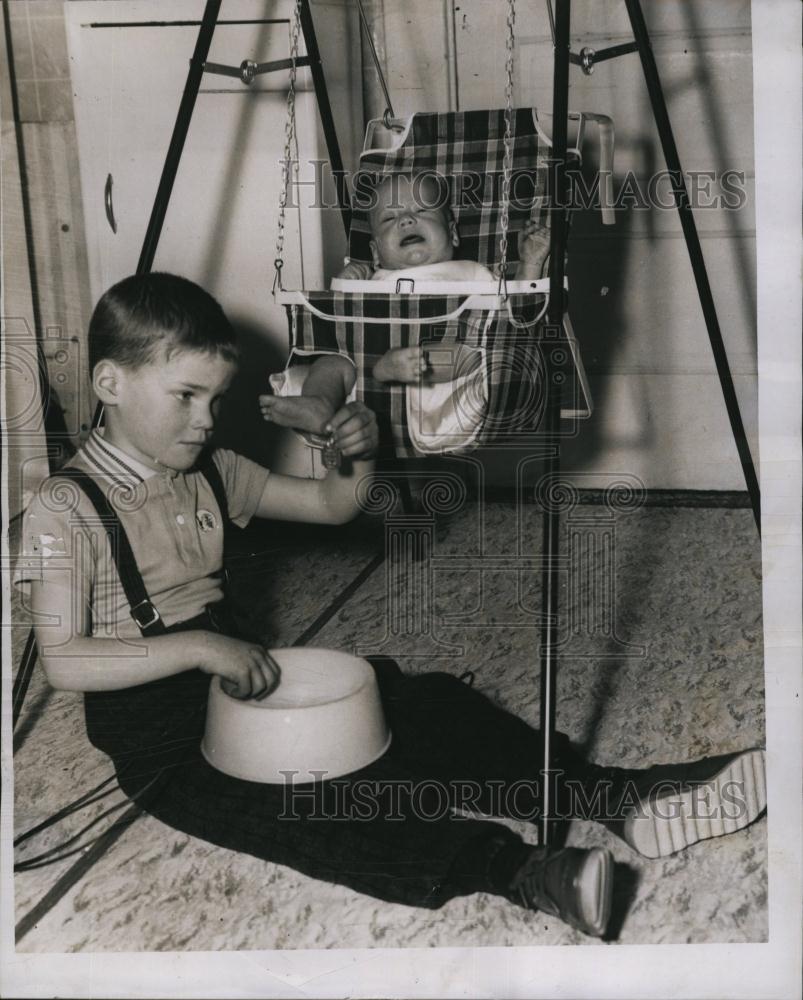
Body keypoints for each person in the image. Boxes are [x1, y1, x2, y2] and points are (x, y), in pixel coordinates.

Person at [16, 273, 766, 940]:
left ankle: (615, 795)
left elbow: (335, 507)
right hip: (162, 741)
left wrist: (361, 446)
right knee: (315, 809)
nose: (206, 420)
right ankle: (524, 871)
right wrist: (198, 648)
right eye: (185, 396)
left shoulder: (210, 470)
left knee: (417, 704)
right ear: (110, 383)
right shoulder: (64, 507)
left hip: (237, 676)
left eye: (213, 399)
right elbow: (67, 658)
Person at [258, 172, 552, 440]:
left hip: (444, 381)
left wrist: (531, 262)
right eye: (389, 219)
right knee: (332, 363)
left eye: (422, 211)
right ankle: (319, 404)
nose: (406, 220)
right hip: (366, 376)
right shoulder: (374, 278)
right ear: (375, 252)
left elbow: (513, 313)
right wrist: (345, 282)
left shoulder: (470, 271)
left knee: (472, 356)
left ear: (452, 234)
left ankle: (400, 364)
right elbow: (339, 320)